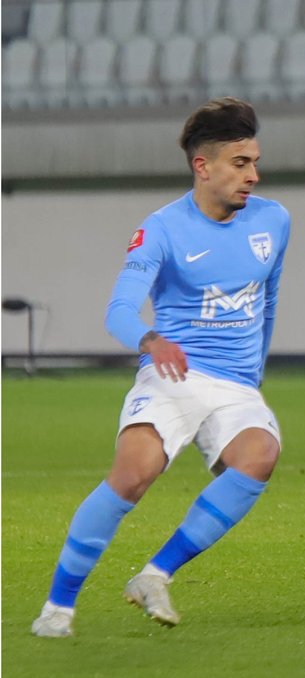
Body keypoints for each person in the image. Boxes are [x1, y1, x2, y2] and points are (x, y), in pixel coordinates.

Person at [32, 98, 291, 637]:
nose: (253, 175)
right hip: (174, 375)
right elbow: (119, 311)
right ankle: (57, 609)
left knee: (260, 455)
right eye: (240, 163)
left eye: (254, 162)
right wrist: (152, 341)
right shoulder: (162, 230)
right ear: (203, 166)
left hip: (236, 384)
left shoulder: (273, 221)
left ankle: (154, 575)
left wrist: (256, 371)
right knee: (133, 475)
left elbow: (268, 302)